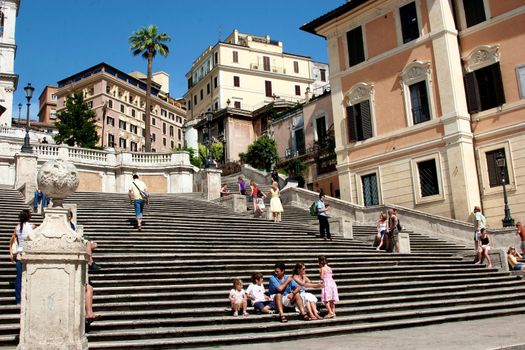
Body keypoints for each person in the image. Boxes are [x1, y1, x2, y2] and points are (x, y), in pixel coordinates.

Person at [9, 209, 36, 305]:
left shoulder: (17, 227)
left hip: (19, 254)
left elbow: (11, 240)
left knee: (19, 277)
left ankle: (18, 300)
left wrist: (11, 252)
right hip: (28, 254)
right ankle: (28, 299)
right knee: (30, 276)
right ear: (28, 217)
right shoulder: (32, 227)